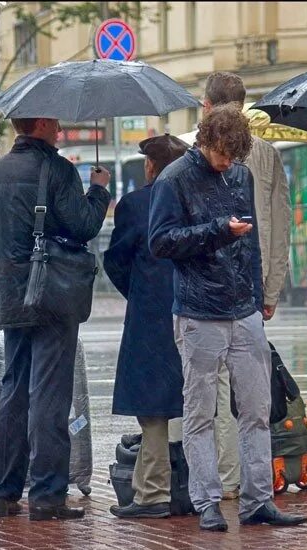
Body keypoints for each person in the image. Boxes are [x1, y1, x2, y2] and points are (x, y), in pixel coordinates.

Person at [149, 105, 307, 531]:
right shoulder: (175, 177)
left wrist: (256, 297)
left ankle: (258, 500)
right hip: (200, 312)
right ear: (207, 140)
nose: (228, 164)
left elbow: (251, 241)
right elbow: (160, 242)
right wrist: (217, 230)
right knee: (201, 411)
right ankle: (207, 502)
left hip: (242, 310)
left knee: (257, 408)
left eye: (235, 157)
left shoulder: (241, 173)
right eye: (223, 155)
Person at [0, 116, 111, 520]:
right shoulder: (59, 170)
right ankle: (48, 494)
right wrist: (98, 191)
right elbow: (83, 226)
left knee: (14, 390)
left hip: (11, 298)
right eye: (55, 124)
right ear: (41, 125)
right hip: (52, 296)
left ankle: (3, 490)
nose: (61, 130)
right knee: (50, 394)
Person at [175, 72, 291, 501]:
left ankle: (225, 483)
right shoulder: (265, 156)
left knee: (211, 397)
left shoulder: (193, 153)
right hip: (248, 292)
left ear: (207, 107)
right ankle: (246, 484)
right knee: (251, 398)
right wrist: (272, 288)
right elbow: (277, 227)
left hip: (208, 296)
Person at [103, 134, 190, 520]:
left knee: (152, 408)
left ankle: (153, 492)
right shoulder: (194, 199)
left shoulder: (136, 204)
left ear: (151, 167)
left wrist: (137, 290)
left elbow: (116, 260)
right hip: (194, 307)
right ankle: (198, 487)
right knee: (200, 404)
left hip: (151, 314)